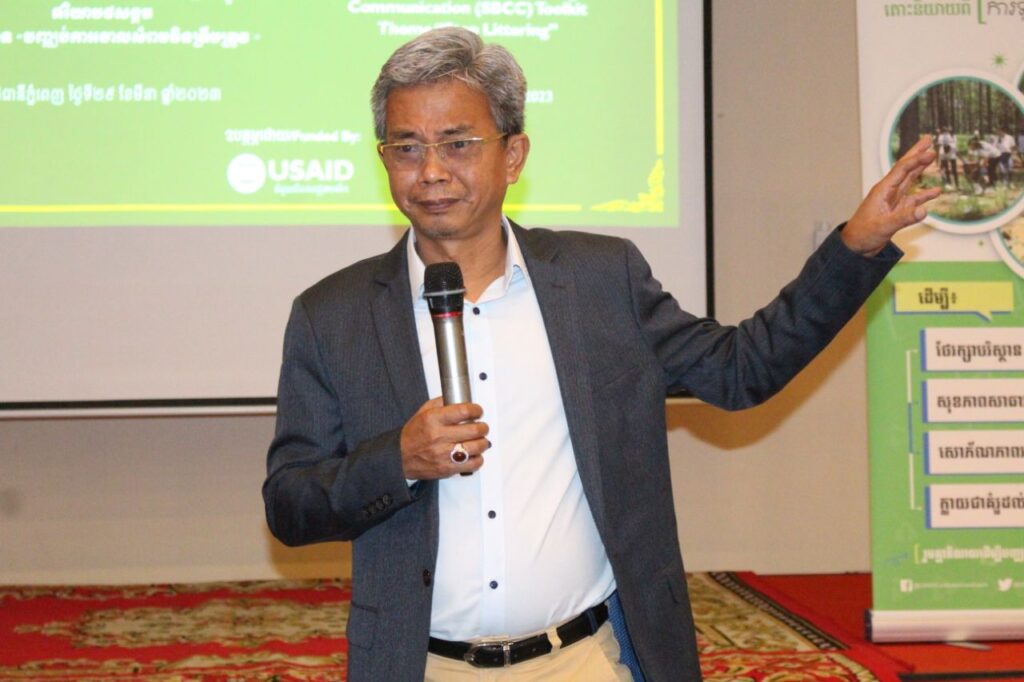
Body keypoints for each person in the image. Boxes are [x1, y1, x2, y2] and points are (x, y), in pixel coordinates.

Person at [263, 27, 939, 682]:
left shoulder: (600, 280)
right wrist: (398, 460)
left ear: (513, 155)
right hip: (423, 665)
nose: (432, 171)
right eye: (407, 148)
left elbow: (741, 371)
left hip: (585, 659)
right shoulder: (333, 316)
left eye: (458, 143)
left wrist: (854, 247)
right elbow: (290, 506)